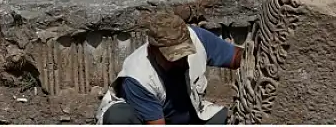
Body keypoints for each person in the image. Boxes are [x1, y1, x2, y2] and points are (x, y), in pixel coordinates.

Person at [96, 10, 243, 125]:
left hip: (186, 114)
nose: (180, 61)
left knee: (232, 118)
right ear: (152, 50)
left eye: (184, 54)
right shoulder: (138, 77)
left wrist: (254, 55)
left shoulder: (197, 38)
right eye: (173, 57)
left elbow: (237, 57)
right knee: (120, 116)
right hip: (144, 121)